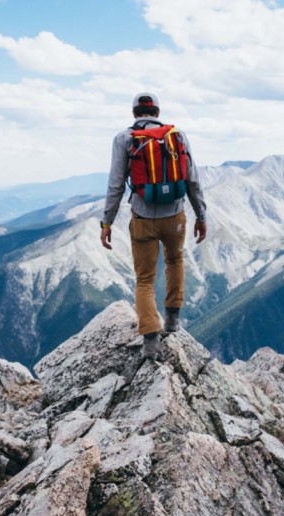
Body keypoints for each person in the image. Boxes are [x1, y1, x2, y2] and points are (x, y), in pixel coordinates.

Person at [100, 92, 207, 360]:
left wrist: (107, 222)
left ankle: (150, 342)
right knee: (175, 260)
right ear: (157, 112)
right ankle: (172, 320)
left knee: (145, 280)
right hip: (176, 217)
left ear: (135, 113)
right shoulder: (177, 136)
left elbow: (115, 185)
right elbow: (192, 179)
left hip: (143, 218)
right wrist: (201, 216)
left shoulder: (124, 139)